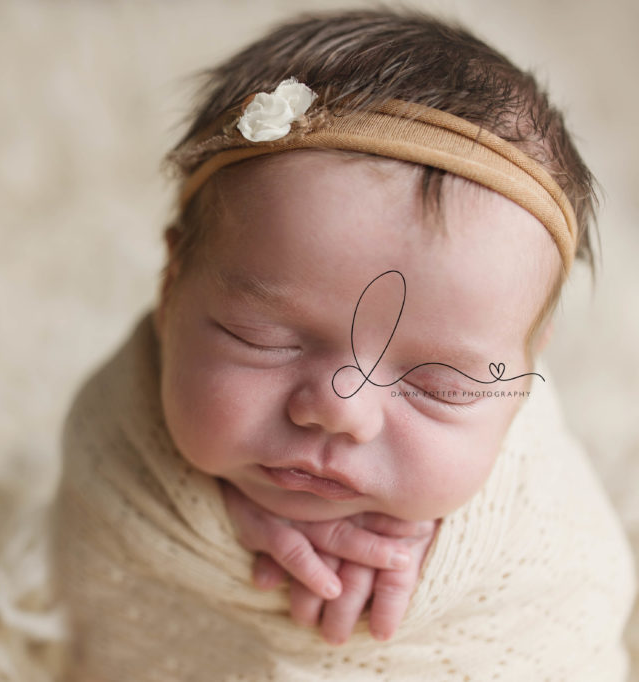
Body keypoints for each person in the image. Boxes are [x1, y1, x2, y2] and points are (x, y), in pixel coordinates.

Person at [53, 8, 635, 680]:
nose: (340, 410)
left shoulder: (538, 517)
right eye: (263, 339)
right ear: (171, 287)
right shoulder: (120, 430)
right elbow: (99, 493)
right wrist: (207, 519)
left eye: (439, 386)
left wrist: (443, 562)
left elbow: (576, 599)